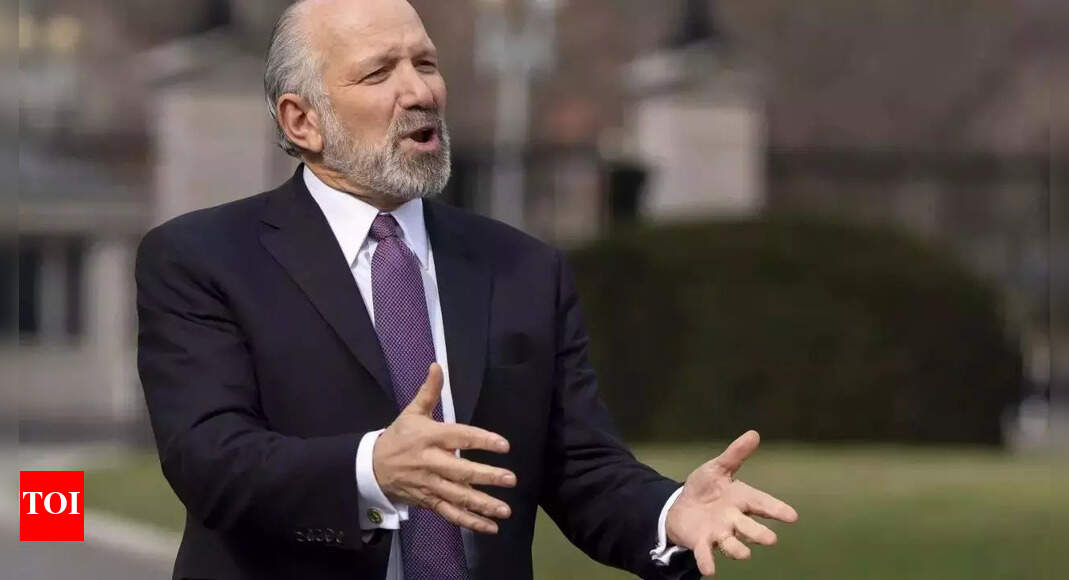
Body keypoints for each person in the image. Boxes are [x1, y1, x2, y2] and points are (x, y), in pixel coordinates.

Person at [134, 0, 798, 578]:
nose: (418, 90)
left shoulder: (522, 268)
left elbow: (582, 468)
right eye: (379, 72)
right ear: (301, 121)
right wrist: (371, 471)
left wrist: (669, 511)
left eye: (425, 63)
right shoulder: (204, 258)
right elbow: (211, 459)